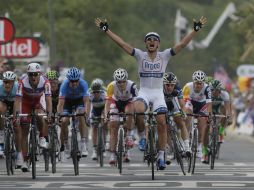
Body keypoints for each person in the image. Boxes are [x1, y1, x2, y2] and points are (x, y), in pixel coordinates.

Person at [95, 16, 207, 170]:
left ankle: (161, 155)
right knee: (139, 109)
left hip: (158, 94)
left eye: (154, 39)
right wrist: (106, 30)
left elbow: (183, 44)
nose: (151, 41)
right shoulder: (140, 55)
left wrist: (195, 30)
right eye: (148, 40)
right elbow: (121, 44)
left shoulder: (165, 55)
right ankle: (141, 136)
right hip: (145, 92)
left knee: (162, 122)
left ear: (158, 44)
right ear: (146, 44)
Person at [13, 62, 52, 172]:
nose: (33, 77)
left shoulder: (46, 82)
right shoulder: (22, 83)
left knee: (40, 116)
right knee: (24, 130)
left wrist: (49, 114)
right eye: (31, 74)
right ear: (27, 75)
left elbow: (48, 100)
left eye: (35, 74)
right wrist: (16, 115)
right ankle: (25, 160)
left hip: (37, 102)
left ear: (40, 74)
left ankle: (42, 137)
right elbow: (17, 101)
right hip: (25, 103)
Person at [105, 68, 138, 164]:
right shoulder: (111, 86)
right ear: (116, 81)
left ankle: (129, 137)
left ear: (126, 80)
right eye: (119, 82)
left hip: (129, 103)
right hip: (116, 103)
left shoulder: (132, 86)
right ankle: (112, 155)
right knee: (113, 127)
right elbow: (107, 103)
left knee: (129, 112)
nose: (121, 84)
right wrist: (107, 114)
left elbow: (137, 102)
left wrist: (134, 115)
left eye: (123, 82)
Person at [57, 67, 89, 158]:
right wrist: (60, 114)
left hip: (79, 101)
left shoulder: (83, 84)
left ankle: (83, 144)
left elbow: (86, 101)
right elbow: (60, 103)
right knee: (64, 121)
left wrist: (86, 113)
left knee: (81, 115)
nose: (74, 83)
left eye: (76, 81)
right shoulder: (64, 85)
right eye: (72, 81)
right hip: (67, 102)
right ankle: (66, 144)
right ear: (68, 80)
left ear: (79, 79)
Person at [182, 70, 212, 164]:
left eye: (200, 83)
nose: (198, 85)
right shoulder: (187, 86)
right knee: (187, 115)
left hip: (202, 105)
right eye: (196, 83)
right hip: (190, 103)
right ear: (193, 81)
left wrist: (209, 115)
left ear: (203, 83)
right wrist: (184, 113)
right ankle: (186, 142)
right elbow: (183, 102)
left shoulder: (207, 88)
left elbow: (209, 103)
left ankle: (199, 147)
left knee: (202, 122)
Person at [162, 72, 191, 158]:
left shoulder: (178, 89)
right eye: (167, 85)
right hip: (162, 105)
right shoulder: (159, 89)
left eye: (172, 85)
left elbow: (182, 104)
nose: (170, 87)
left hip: (173, 105)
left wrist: (183, 112)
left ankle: (187, 147)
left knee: (181, 122)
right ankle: (167, 147)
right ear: (163, 84)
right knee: (164, 126)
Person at [86, 78, 107, 160]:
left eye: (97, 92)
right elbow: (88, 106)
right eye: (94, 92)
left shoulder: (104, 93)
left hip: (103, 108)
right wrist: (88, 117)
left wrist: (105, 116)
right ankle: (95, 150)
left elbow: (106, 106)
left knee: (104, 126)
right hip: (94, 109)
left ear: (101, 90)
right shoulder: (89, 94)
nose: (96, 93)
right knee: (94, 127)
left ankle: (104, 146)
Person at [0, 71, 18, 157]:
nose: (7, 84)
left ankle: (15, 144)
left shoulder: (18, 87)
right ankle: (2, 135)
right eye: (5, 82)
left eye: (10, 82)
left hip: (14, 103)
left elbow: (20, 103)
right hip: (3, 103)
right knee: (1, 108)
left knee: (17, 122)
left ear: (13, 82)